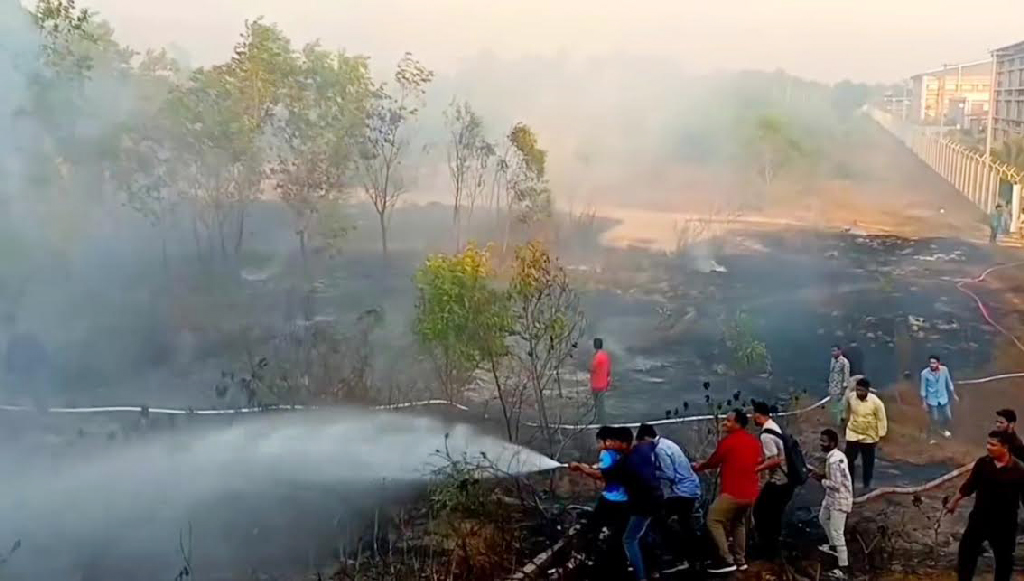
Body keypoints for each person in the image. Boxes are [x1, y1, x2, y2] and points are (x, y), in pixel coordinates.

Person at [945, 431, 1024, 581]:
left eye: (993, 445)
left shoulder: (1018, 470)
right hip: (980, 518)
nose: (988, 447)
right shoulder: (983, 463)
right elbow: (970, 485)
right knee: (966, 552)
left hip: (1004, 523)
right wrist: (954, 501)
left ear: (1005, 447)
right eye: (987, 443)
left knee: (1004, 560)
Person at [693, 409, 763, 573]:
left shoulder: (729, 441)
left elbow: (715, 461)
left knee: (713, 519)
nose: (725, 423)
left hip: (734, 492)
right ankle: (741, 561)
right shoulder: (753, 441)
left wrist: (699, 466)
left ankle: (726, 560)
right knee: (738, 523)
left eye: (729, 421)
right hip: (751, 493)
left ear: (738, 424)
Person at [636, 423, 700, 573]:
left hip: (682, 491)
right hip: (690, 488)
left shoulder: (660, 450)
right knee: (685, 524)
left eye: (642, 444)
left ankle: (679, 557)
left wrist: (651, 473)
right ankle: (694, 558)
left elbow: (669, 474)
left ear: (646, 438)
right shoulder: (667, 443)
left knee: (659, 519)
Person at [568, 427, 631, 578]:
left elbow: (600, 475)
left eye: (599, 442)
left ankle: (588, 557)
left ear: (607, 441)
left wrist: (580, 467)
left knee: (592, 527)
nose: (598, 445)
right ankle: (622, 564)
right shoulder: (621, 453)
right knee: (618, 533)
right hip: (625, 501)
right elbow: (602, 468)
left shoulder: (607, 453)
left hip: (611, 499)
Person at [752, 401, 793, 561]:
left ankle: (767, 551)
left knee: (761, 512)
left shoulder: (766, 435)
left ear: (758, 415)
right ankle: (774, 549)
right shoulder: (774, 427)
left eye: (754, 415)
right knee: (774, 515)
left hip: (779, 481)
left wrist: (756, 469)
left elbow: (775, 460)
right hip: (788, 479)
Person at [810, 429, 852, 580]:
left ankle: (843, 568)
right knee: (823, 518)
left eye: (824, 441)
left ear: (832, 443)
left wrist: (820, 480)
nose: (821, 444)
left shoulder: (834, 461)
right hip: (831, 498)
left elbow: (835, 484)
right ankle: (833, 547)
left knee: (837, 532)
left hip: (839, 500)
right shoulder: (836, 456)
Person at [843, 378, 887, 491]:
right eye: (858, 390)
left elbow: (881, 419)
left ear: (867, 390)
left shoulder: (876, 402)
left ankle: (866, 484)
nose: (859, 393)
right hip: (853, 432)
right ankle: (849, 484)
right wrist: (844, 420)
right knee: (849, 460)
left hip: (869, 435)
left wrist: (880, 435)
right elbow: (847, 410)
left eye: (862, 391)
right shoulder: (851, 397)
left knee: (868, 462)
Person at [920, 355, 959, 442]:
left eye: (934, 363)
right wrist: (924, 402)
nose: (932, 365)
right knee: (935, 418)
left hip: (943, 398)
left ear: (938, 363)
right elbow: (923, 389)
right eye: (930, 363)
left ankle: (942, 429)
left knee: (948, 416)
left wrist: (954, 395)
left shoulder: (944, 370)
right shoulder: (924, 373)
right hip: (932, 399)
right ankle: (932, 436)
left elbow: (949, 383)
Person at [590, 338, 612, 423]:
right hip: (603, 384)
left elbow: (592, 368)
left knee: (598, 406)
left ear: (594, 345)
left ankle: (601, 423)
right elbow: (608, 370)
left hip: (596, 384)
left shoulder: (597, 357)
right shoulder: (605, 355)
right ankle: (600, 422)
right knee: (601, 405)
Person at [828, 345, 851, 424]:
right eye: (832, 351)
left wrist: (844, 386)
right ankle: (834, 422)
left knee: (840, 406)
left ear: (840, 351)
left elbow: (846, 374)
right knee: (833, 406)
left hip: (840, 387)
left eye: (834, 351)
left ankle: (840, 423)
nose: (833, 353)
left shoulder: (844, 361)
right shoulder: (832, 360)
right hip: (832, 387)